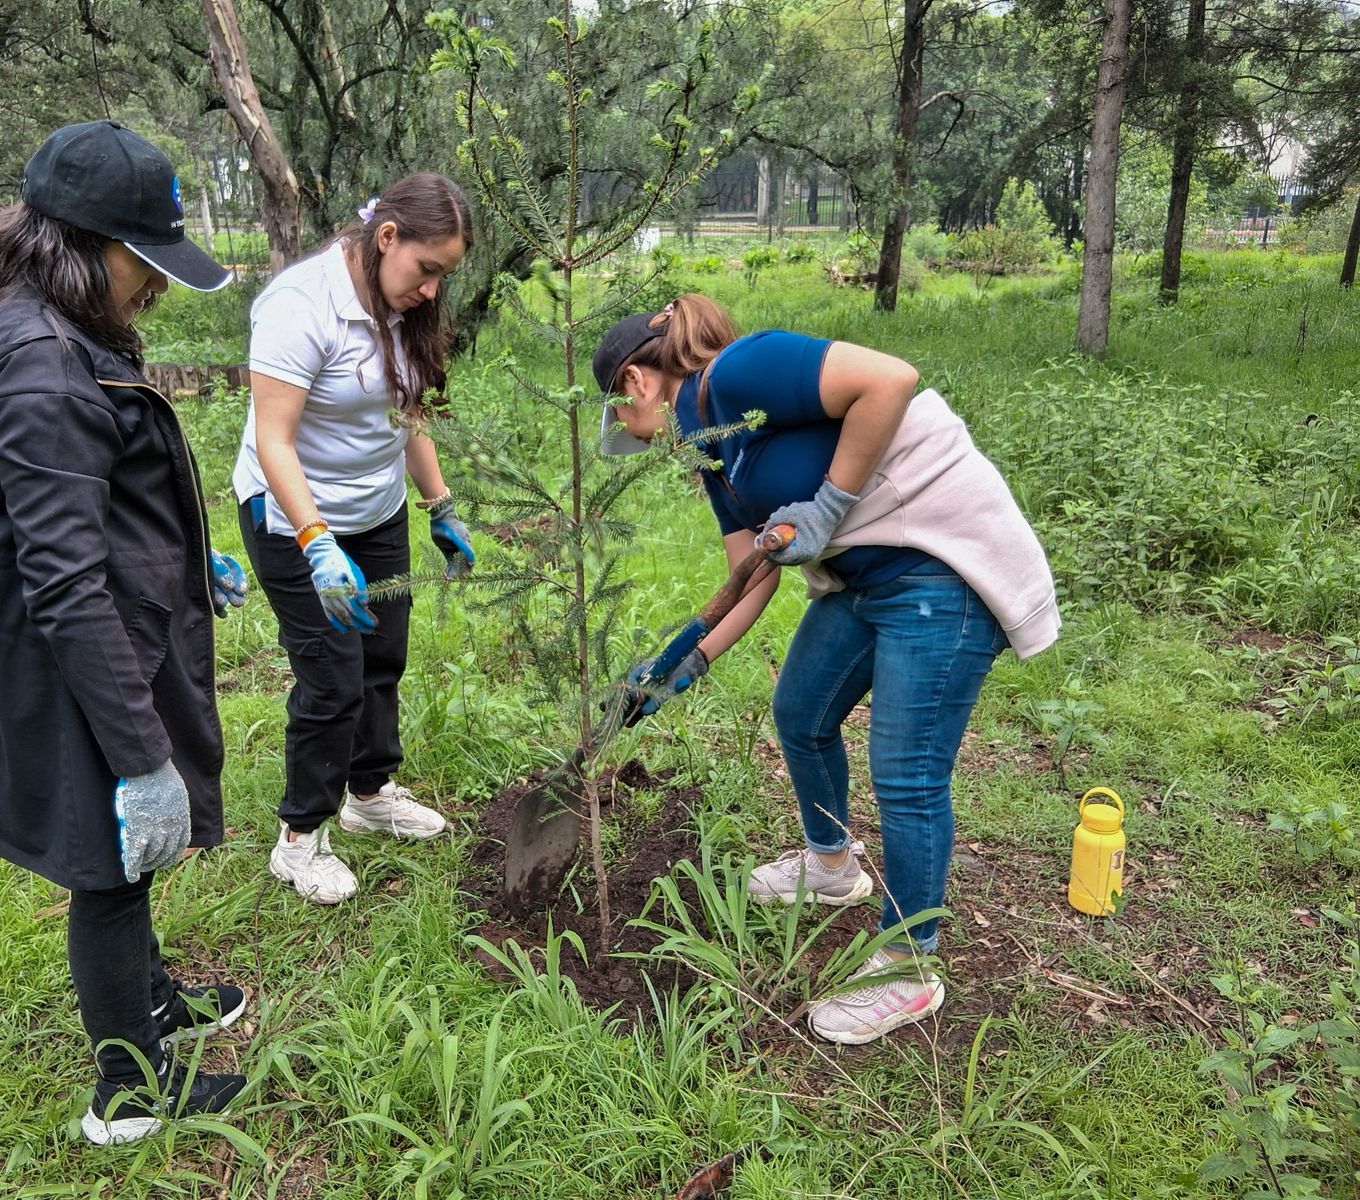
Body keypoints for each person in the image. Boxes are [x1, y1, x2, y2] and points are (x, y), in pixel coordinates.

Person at [0, 120, 250, 1144]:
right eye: (145, 262)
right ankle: (130, 1092)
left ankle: (152, 998)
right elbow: (63, 577)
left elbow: (53, 506)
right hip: (73, 658)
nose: (154, 285)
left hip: (73, 639)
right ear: (86, 246)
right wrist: (142, 759)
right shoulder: (43, 365)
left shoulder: (27, 323)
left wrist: (182, 561)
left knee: (129, 863)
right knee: (111, 861)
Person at [592, 294, 1059, 1045]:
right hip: (868, 582)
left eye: (623, 420)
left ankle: (908, 968)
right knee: (801, 712)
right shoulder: (713, 451)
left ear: (638, 385)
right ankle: (831, 865)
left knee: (906, 773)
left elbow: (891, 380)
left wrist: (829, 505)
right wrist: (681, 665)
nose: (633, 440)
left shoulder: (742, 370)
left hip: (942, 569)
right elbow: (750, 575)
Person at [232, 173, 476, 904]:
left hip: (376, 513)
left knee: (381, 657)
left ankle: (368, 793)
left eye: (445, 276)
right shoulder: (299, 306)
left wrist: (439, 507)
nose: (432, 290)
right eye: (427, 269)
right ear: (387, 237)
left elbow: (408, 416)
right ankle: (300, 839)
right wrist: (313, 539)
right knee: (331, 678)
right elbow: (273, 440)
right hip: (294, 516)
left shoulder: (401, 306)